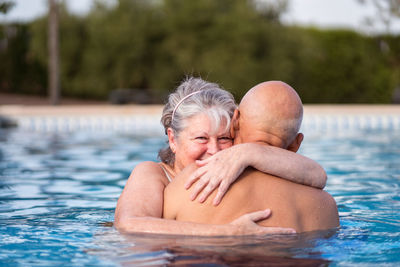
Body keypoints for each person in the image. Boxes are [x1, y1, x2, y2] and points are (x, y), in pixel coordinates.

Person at [115, 77, 327, 235]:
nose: (215, 150)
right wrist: (227, 233)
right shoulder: (154, 174)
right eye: (201, 138)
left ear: (236, 128)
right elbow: (128, 225)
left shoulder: (240, 163)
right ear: (172, 139)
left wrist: (249, 151)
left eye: (225, 138)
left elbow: (317, 175)